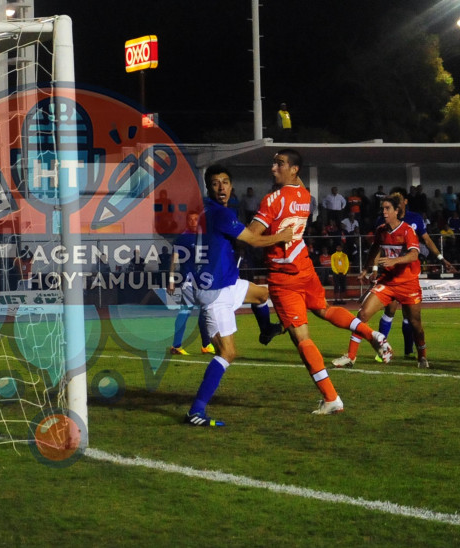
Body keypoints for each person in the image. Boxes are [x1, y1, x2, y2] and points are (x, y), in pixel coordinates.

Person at [247, 149, 392, 415]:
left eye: (279, 164)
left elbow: (251, 238)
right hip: (305, 266)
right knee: (324, 309)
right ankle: (371, 333)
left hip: (283, 275)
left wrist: (277, 238)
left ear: (294, 169)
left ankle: (331, 398)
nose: (273, 168)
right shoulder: (304, 196)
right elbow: (297, 183)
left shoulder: (272, 200)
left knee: (302, 338)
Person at [168, 164, 293, 426]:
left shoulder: (206, 209)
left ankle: (266, 330)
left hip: (227, 283)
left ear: (231, 186)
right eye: (215, 183)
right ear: (209, 187)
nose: (221, 187)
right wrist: (282, 236)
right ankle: (196, 411)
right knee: (227, 353)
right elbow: (254, 240)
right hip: (216, 295)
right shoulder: (220, 214)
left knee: (263, 295)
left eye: (225, 182)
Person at [333, 194, 429, 369]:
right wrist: (366, 269)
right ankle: (351, 356)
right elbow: (375, 249)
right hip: (388, 282)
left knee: (416, 324)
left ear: (396, 211)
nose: (384, 212)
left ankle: (422, 356)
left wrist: (394, 261)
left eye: (387, 208)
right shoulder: (381, 230)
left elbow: (414, 255)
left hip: (408, 283)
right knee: (362, 315)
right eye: (382, 209)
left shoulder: (407, 230)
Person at [371, 186, 456, 361]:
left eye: (398, 200)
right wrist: (373, 269)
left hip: (408, 275)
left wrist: (441, 258)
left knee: (409, 317)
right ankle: (381, 351)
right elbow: (377, 247)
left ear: (405, 202)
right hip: (390, 275)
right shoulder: (383, 221)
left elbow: (427, 240)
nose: (395, 204)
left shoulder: (414, 219)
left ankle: (409, 350)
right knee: (389, 310)